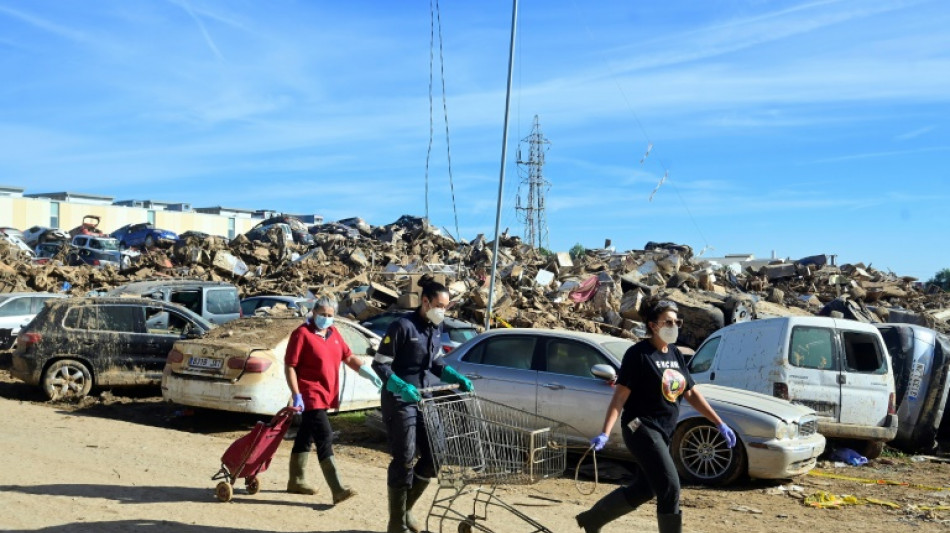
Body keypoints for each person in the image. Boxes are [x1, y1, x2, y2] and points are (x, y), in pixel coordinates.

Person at [576, 300, 737, 533]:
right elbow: (619, 397)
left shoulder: (675, 354)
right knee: (670, 486)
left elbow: (690, 393)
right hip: (640, 427)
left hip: (664, 430)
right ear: (653, 325)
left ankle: (592, 520)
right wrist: (605, 432)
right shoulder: (638, 355)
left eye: (677, 322)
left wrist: (719, 422)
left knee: (646, 488)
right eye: (668, 322)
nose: (674, 326)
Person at [372, 278, 474, 533]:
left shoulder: (436, 328)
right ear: (425, 302)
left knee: (435, 456)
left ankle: (407, 509)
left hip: (425, 398)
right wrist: (398, 385)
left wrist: (455, 376)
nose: (444, 311)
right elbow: (380, 363)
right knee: (404, 459)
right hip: (400, 398)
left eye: (447, 307)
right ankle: (396, 522)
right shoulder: (402, 326)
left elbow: (435, 362)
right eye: (440, 305)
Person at [284, 295, 383, 504]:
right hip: (310, 394)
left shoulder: (334, 333)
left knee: (306, 434)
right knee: (324, 435)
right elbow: (290, 366)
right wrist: (296, 394)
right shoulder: (302, 334)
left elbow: (348, 357)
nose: (326, 318)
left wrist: (367, 371)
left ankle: (296, 480)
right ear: (313, 313)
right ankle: (337, 488)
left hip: (327, 394)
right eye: (322, 315)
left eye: (330, 315)